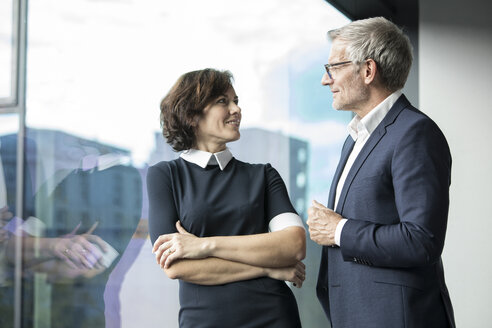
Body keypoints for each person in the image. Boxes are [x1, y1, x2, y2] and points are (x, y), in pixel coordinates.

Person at [306, 17, 455, 328]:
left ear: (368, 70)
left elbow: (421, 240)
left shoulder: (415, 133)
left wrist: (338, 230)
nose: (325, 80)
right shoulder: (355, 139)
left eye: (333, 67)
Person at [147, 68, 306, 328]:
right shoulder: (165, 176)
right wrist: (266, 268)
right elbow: (176, 267)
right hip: (205, 321)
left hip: (274, 317)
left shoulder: (264, 175)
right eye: (223, 101)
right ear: (191, 115)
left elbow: (294, 245)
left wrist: (203, 246)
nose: (236, 109)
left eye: (236, 101)